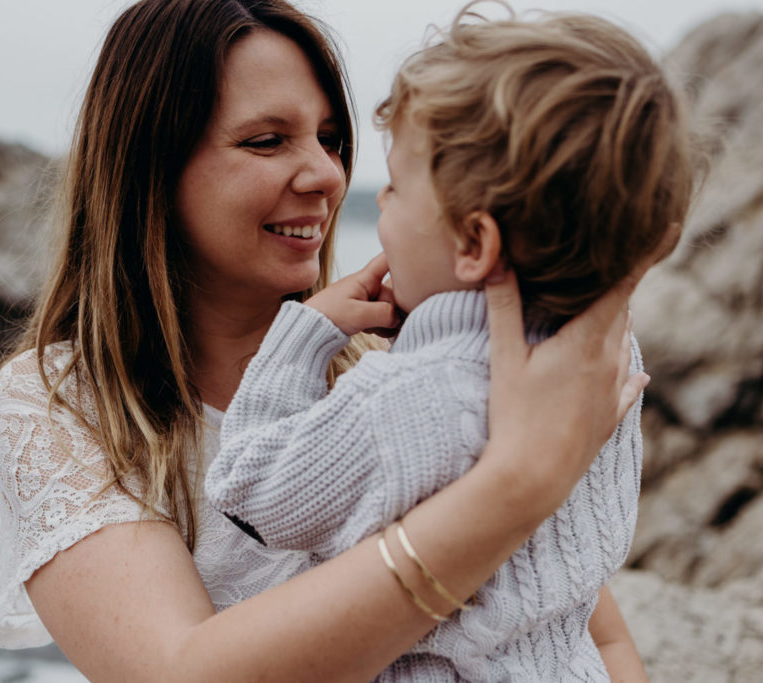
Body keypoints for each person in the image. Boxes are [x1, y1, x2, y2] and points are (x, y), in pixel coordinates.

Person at [0, 0, 660, 680]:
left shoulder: (398, 364)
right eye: (267, 140)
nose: (330, 174)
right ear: (149, 169)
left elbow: (590, 630)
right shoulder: (59, 401)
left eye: (330, 138)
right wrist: (516, 485)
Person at [206, 3, 692, 680]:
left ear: (474, 242)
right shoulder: (604, 363)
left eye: (398, 189)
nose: (372, 201)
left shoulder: (410, 394)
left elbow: (249, 488)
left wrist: (306, 333)